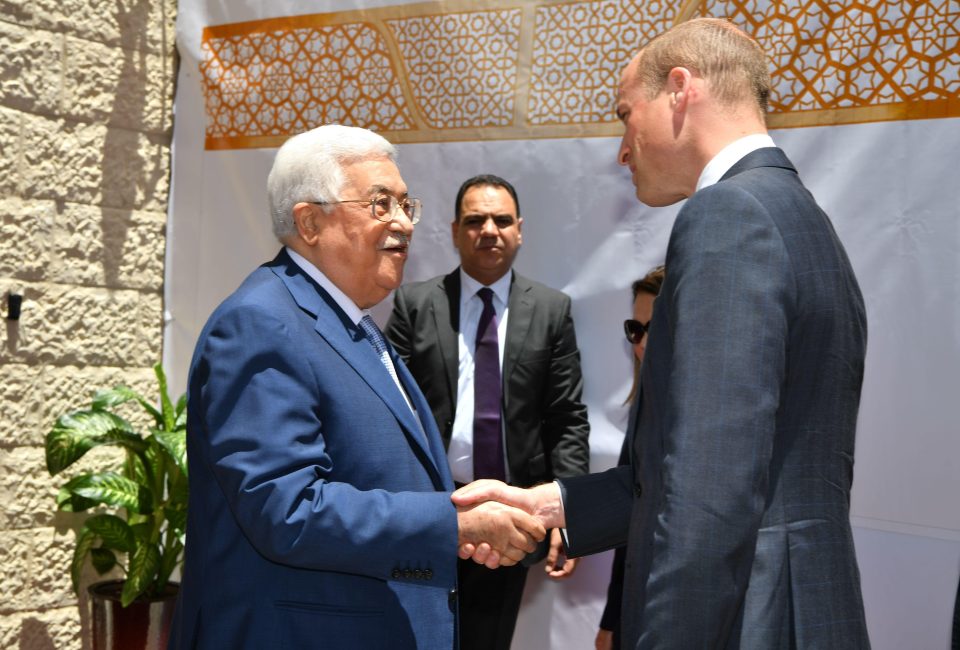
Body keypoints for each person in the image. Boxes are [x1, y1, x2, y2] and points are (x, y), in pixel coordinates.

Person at [454, 17, 870, 649]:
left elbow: (711, 490)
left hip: (743, 620)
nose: (622, 148)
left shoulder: (727, 214)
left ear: (680, 88)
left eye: (625, 114)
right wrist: (547, 503)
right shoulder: (800, 216)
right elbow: (711, 469)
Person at [168, 125, 546, 650]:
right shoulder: (261, 324)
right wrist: (453, 523)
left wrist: (465, 510)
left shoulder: (352, 324)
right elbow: (288, 509)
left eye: (405, 204)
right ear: (309, 222)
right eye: (379, 204)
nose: (403, 223)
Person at [385, 174, 590, 650]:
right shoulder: (414, 305)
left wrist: (572, 514)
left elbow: (566, 418)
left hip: (512, 512)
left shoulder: (551, 311)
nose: (489, 230)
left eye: (501, 220)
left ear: (519, 229)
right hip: (432, 507)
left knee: (486, 641)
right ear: (456, 231)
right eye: (475, 220)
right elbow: (391, 412)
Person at [596, 266, 664, 650]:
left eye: (653, 327)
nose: (639, 343)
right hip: (636, 612)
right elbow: (629, 518)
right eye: (634, 329)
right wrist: (612, 619)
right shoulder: (645, 407)